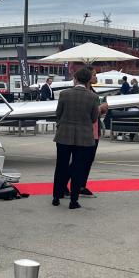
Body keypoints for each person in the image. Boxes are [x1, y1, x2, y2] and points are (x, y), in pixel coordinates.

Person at [52, 67, 99, 209]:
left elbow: (58, 114)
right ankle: (74, 201)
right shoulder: (93, 97)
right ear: (88, 80)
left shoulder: (64, 94)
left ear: (76, 79)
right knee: (78, 168)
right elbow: (94, 118)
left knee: (61, 166)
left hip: (64, 135)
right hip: (84, 138)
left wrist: (63, 124)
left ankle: (56, 197)